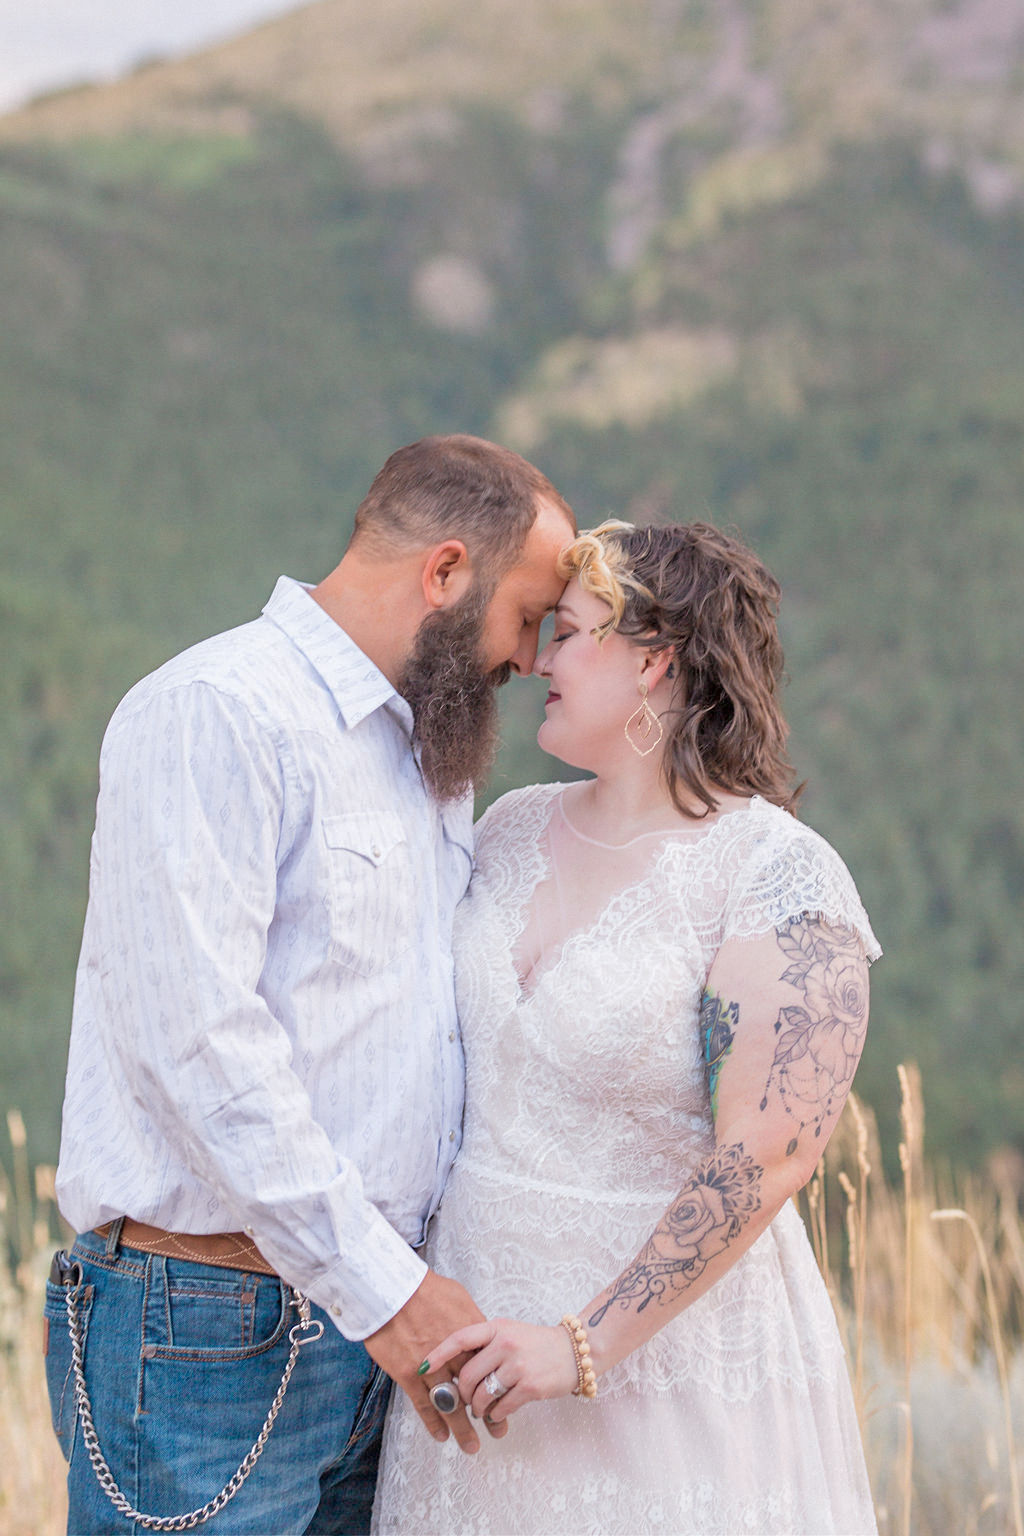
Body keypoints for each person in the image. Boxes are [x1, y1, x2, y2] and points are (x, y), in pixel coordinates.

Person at [43, 434, 576, 1535]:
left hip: (370, 1338)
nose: (531, 659)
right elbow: (193, 1043)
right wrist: (384, 1288)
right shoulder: (216, 711)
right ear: (444, 573)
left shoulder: (421, 751)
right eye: (526, 616)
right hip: (205, 1330)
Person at [374, 519, 881, 1535]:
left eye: (568, 632)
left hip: (666, 1369)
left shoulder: (775, 873)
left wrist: (581, 1344)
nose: (538, 660)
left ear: (654, 659)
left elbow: (766, 1158)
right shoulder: (511, 825)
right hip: (473, 1358)